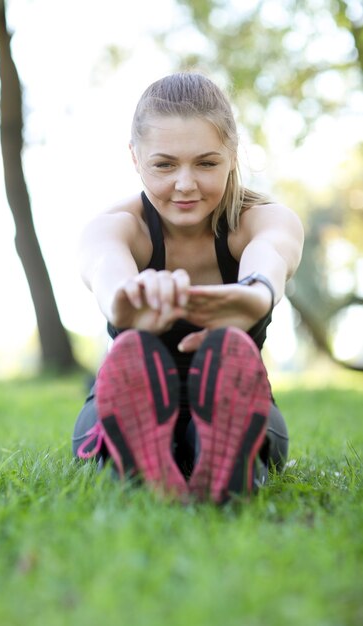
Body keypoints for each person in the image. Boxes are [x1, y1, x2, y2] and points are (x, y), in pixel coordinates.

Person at [72, 72, 304, 504]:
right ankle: (147, 456)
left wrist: (254, 294)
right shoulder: (117, 227)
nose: (185, 184)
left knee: (231, 421)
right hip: (127, 401)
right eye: (164, 164)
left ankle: (217, 454)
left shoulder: (263, 220)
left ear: (233, 156)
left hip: (238, 400)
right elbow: (105, 268)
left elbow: (272, 254)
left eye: (206, 162)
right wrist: (127, 300)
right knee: (114, 415)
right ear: (135, 158)